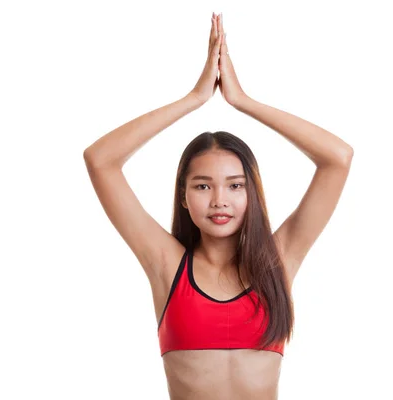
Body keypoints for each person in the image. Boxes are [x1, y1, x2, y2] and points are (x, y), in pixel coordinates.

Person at [83, 12, 353, 400]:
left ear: (251, 193)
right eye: (203, 185)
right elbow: (100, 160)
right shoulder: (167, 265)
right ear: (183, 196)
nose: (219, 200)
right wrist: (194, 100)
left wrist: (243, 101)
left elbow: (338, 159)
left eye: (235, 185)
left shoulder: (279, 261)